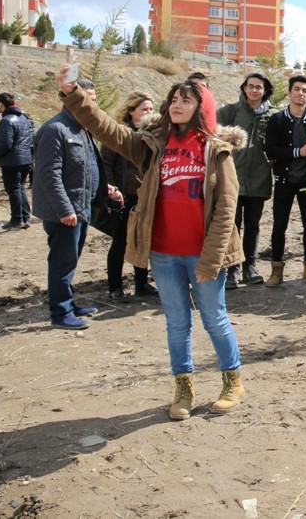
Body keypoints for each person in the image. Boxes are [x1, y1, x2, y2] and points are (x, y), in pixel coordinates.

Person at [58, 71, 247, 419]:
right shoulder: (151, 144)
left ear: (201, 107)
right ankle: (183, 386)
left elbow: (226, 211)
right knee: (176, 323)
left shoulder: (217, 151)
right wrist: (74, 95)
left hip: (204, 255)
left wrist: (210, 260)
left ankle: (232, 380)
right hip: (163, 253)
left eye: (186, 100)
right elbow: (107, 129)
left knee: (214, 319)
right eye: (173, 99)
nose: (177, 105)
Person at [31, 79, 108, 329]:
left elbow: (85, 169)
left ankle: (69, 303)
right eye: (87, 99)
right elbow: (48, 174)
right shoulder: (56, 129)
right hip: (65, 211)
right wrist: (65, 209)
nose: (91, 104)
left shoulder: (82, 128)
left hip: (82, 207)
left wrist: (106, 188)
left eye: (94, 100)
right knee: (62, 263)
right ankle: (61, 313)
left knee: (71, 260)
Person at [263, 75, 306, 287]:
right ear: (290, 92)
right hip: (285, 180)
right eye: (297, 89)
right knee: (279, 225)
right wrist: (297, 152)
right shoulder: (278, 119)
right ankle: (276, 270)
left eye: (305, 90)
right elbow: (271, 149)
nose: (300, 93)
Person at [217, 73, 277, 287]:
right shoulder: (229, 111)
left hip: (259, 178)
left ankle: (249, 268)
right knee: (233, 225)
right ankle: (231, 270)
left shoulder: (273, 115)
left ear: (265, 90)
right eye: (250, 86)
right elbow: (212, 136)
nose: (254, 90)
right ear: (244, 88)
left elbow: (278, 142)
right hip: (232, 178)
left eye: (259, 87)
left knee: (253, 225)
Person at [101, 92, 157, 301]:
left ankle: (142, 284)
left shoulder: (153, 135)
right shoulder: (121, 134)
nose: (149, 113)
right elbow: (105, 163)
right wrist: (111, 188)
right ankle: (115, 287)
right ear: (131, 111)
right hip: (124, 197)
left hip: (145, 196)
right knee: (121, 242)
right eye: (144, 109)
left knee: (142, 240)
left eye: (151, 109)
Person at [0, 92, 34, 231]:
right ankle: (25, 216)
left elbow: (5, 143)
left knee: (13, 189)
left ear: (0, 104)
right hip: (25, 159)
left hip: (12, 161)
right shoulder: (22, 118)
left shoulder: (6, 120)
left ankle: (17, 219)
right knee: (20, 187)